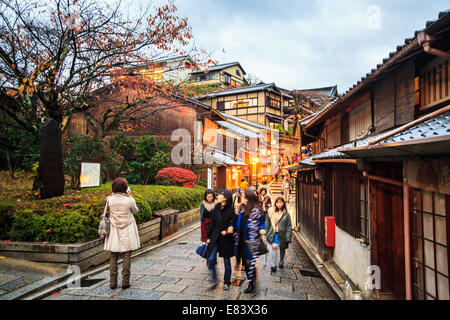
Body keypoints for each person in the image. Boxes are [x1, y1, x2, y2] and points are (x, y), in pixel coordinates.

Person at [104, 177, 140, 289]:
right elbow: (136, 211)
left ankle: (112, 282)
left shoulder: (110, 199)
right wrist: (130, 196)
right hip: (127, 229)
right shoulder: (130, 200)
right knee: (126, 255)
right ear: (125, 188)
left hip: (114, 230)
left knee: (113, 255)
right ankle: (125, 281)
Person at [234, 190, 266, 294]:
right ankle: (252, 281)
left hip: (251, 241)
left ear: (247, 198)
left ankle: (252, 284)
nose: (241, 197)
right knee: (245, 263)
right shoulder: (242, 209)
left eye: (242, 196)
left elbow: (262, 223)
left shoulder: (256, 210)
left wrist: (262, 230)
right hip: (241, 240)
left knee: (249, 262)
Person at [206, 190, 235, 290]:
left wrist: (229, 229)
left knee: (227, 261)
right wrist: (208, 237)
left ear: (225, 198)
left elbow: (233, 223)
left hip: (226, 239)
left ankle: (227, 282)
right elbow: (212, 223)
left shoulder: (231, 209)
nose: (218, 196)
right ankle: (214, 279)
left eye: (220, 195)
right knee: (211, 259)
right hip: (215, 238)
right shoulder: (216, 207)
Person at [265, 197, 292, 272]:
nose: (279, 204)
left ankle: (281, 260)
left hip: (283, 234)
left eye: (281, 202)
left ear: (283, 203)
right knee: (274, 247)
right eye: (277, 202)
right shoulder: (271, 212)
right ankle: (274, 264)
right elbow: (267, 222)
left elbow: (289, 226)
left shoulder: (286, 214)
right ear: (275, 203)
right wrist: (266, 232)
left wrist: (288, 237)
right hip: (274, 233)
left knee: (282, 248)